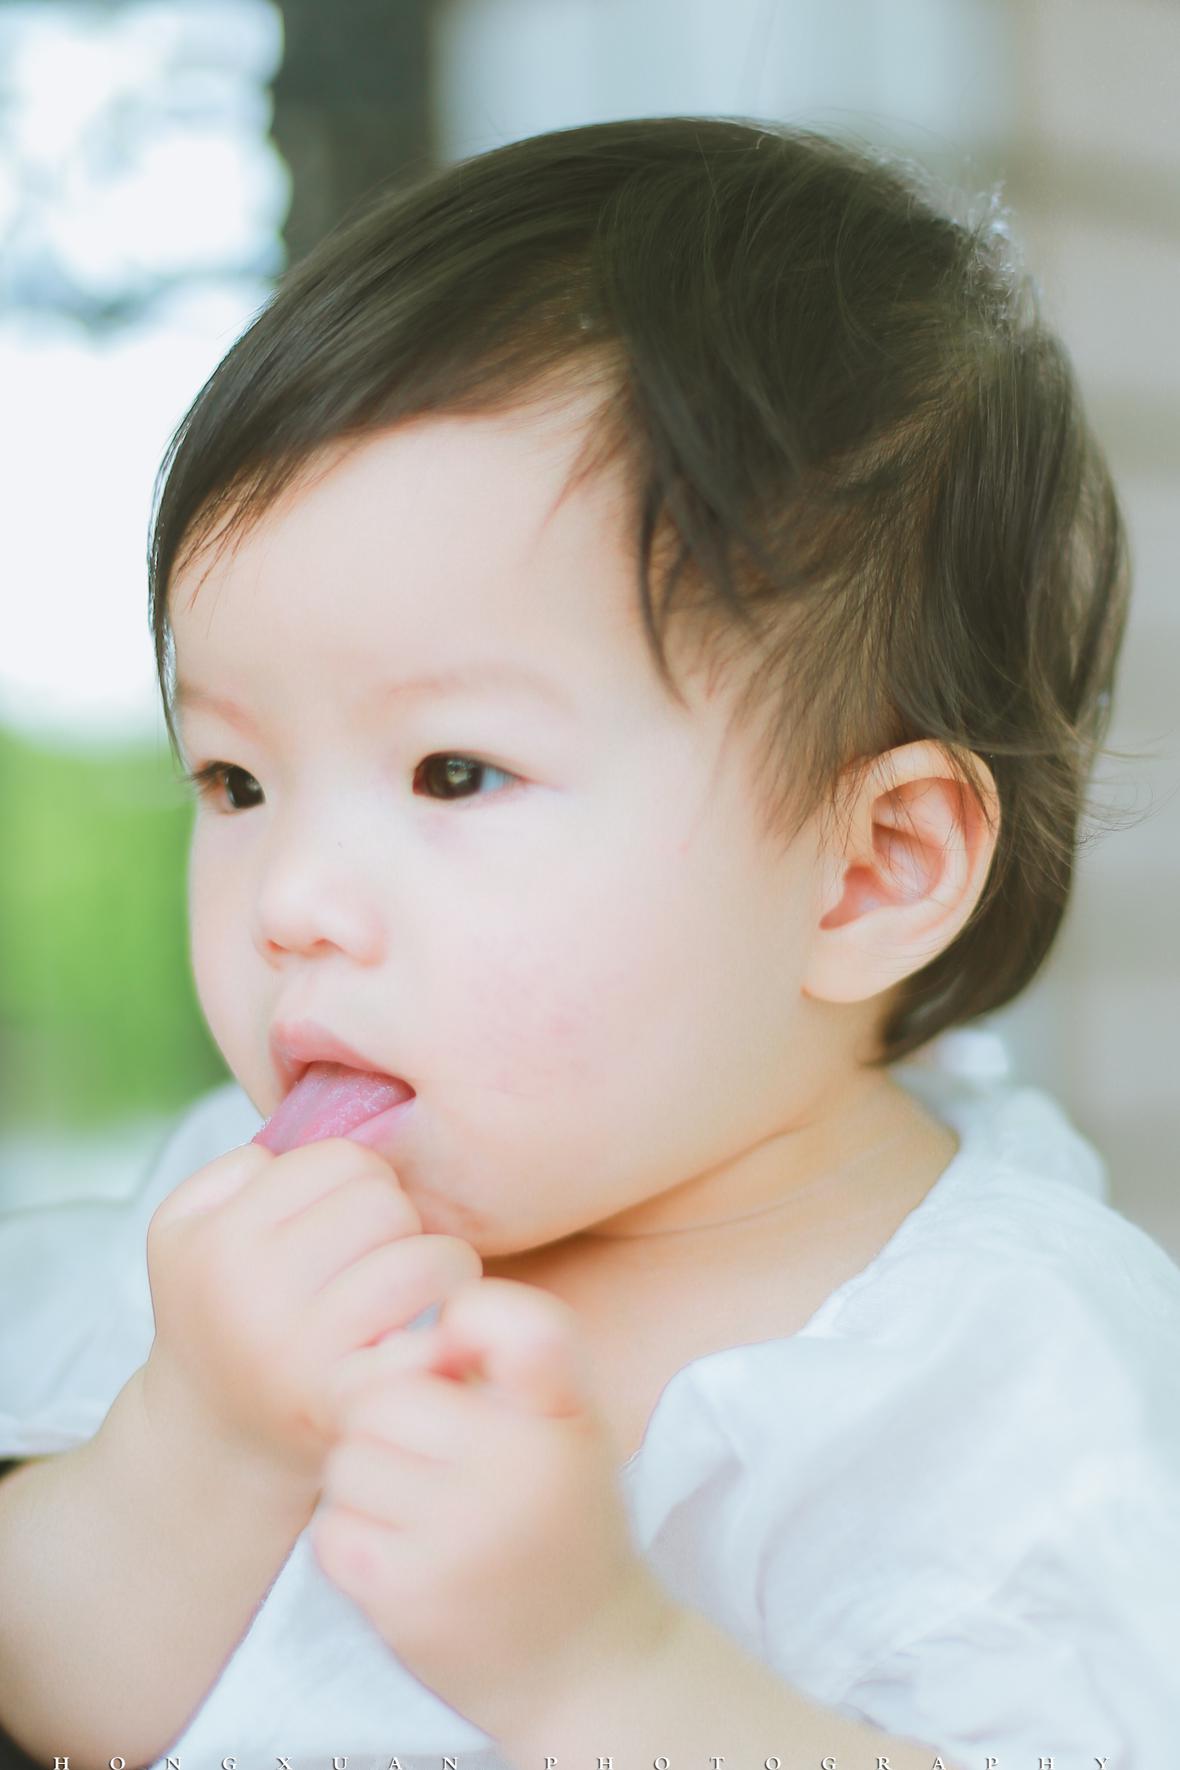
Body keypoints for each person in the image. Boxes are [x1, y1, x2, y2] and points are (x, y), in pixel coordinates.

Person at [1, 115, 1176, 1770]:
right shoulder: (242, 1224)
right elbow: (59, 1693)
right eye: (237, 780)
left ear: (864, 871)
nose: (289, 897)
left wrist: (601, 1675)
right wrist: (194, 1448)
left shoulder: (999, 1372)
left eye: (454, 772)